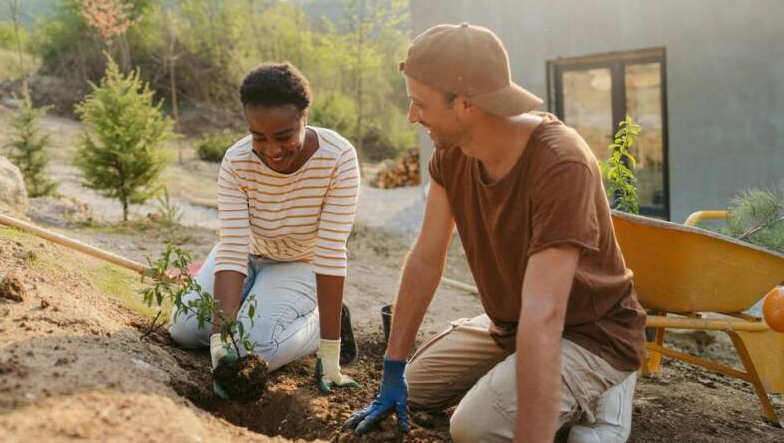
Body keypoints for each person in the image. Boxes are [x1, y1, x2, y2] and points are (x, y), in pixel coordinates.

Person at [345, 23, 646, 442]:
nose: (412, 116)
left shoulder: (560, 164)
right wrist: (392, 369)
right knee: (417, 385)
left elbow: (545, 314)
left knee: (474, 426)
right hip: (514, 323)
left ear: (466, 104)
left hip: (592, 332)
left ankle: (606, 390)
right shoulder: (452, 154)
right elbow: (426, 259)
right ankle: (520, 371)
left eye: (419, 103)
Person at [170, 62, 361, 397]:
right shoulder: (236, 161)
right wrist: (219, 340)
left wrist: (330, 351)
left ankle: (319, 323)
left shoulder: (338, 159)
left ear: (304, 117)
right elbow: (232, 248)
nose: (272, 150)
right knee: (185, 329)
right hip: (246, 254)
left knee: (251, 350)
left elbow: (330, 253)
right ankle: (247, 313)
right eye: (258, 136)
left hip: (299, 264)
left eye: (284, 136)